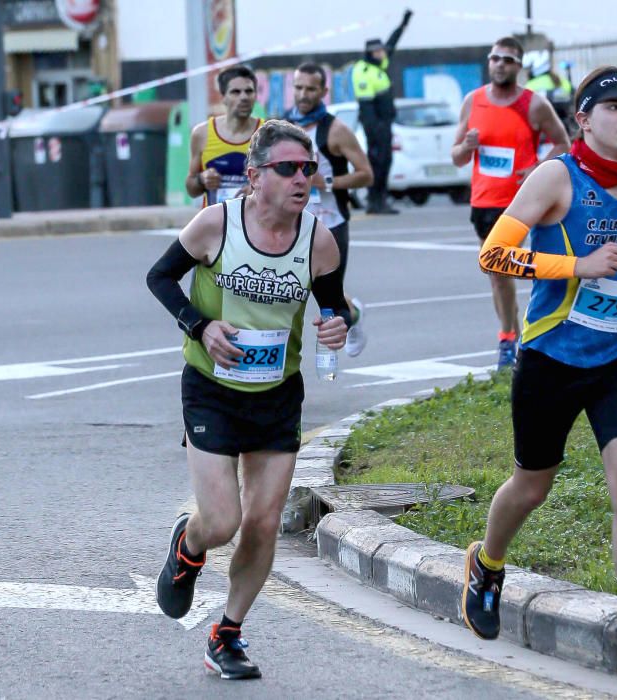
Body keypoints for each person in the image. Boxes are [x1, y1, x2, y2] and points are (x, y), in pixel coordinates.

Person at [465, 65, 617, 677]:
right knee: (532, 486)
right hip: (552, 358)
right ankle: (488, 562)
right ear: (583, 119)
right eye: (612, 107)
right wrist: (576, 264)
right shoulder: (556, 177)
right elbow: (494, 252)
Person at [147, 120, 350, 680]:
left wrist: (335, 325)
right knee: (221, 521)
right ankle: (188, 550)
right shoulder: (217, 224)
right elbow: (160, 278)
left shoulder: (319, 239)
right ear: (256, 175)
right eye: (287, 168)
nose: (301, 178)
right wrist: (200, 325)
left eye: (307, 168)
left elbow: (334, 307)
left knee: (262, 524)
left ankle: (227, 634)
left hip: (277, 396)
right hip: (212, 392)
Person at [452, 36, 571, 369]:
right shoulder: (472, 102)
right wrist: (467, 147)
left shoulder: (533, 104)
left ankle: (521, 335)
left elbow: (562, 142)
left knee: (506, 267)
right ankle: (510, 336)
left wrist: (537, 167)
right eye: (495, 58)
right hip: (484, 200)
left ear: (519, 66)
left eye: (508, 59)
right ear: (489, 63)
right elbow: (457, 157)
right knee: (496, 271)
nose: (500, 64)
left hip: (523, 201)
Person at [286, 62, 374, 357]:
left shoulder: (336, 130)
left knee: (328, 297)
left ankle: (353, 315)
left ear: (323, 91)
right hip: (292, 222)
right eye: (299, 87)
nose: (303, 94)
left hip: (331, 222)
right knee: (292, 291)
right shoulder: (283, 127)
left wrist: (327, 182)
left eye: (311, 88)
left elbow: (366, 174)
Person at [352, 9, 413, 214]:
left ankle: (382, 199)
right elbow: (366, 106)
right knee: (377, 161)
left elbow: (392, 43)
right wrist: (376, 129)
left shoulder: (379, 65)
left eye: (381, 51)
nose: (382, 53)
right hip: (375, 125)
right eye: (377, 52)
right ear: (370, 53)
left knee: (386, 161)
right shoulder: (363, 71)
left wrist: (403, 24)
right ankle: (374, 201)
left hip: (385, 123)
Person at [185, 65, 263, 207]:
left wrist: (257, 190)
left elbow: (280, 183)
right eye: (235, 92)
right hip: (216, 226)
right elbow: (191, 189)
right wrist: (202, 180)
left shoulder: (267, 133)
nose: (244, 97)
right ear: (223, 97)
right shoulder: (202, 134)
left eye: (249, 91)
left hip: (255, 225)